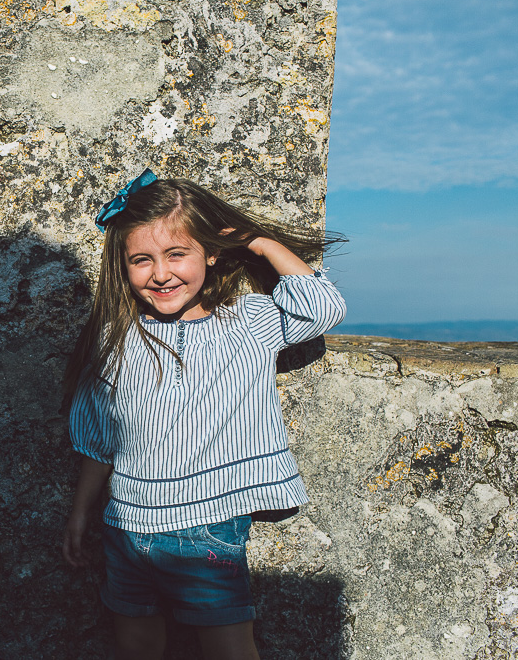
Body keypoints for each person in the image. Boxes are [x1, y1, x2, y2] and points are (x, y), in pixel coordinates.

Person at [60, 169, 346, 660]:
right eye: (142, 260)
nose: (161, 273)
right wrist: (81, 512)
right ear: (123, 266)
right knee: (135, 645)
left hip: (207, 526)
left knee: (229, 648)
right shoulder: (114, 339)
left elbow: (321, 307)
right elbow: (99, 440)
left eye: (177, 254)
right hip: (126, 526)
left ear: (210, 254)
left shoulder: (248, 322)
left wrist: (257, 242)